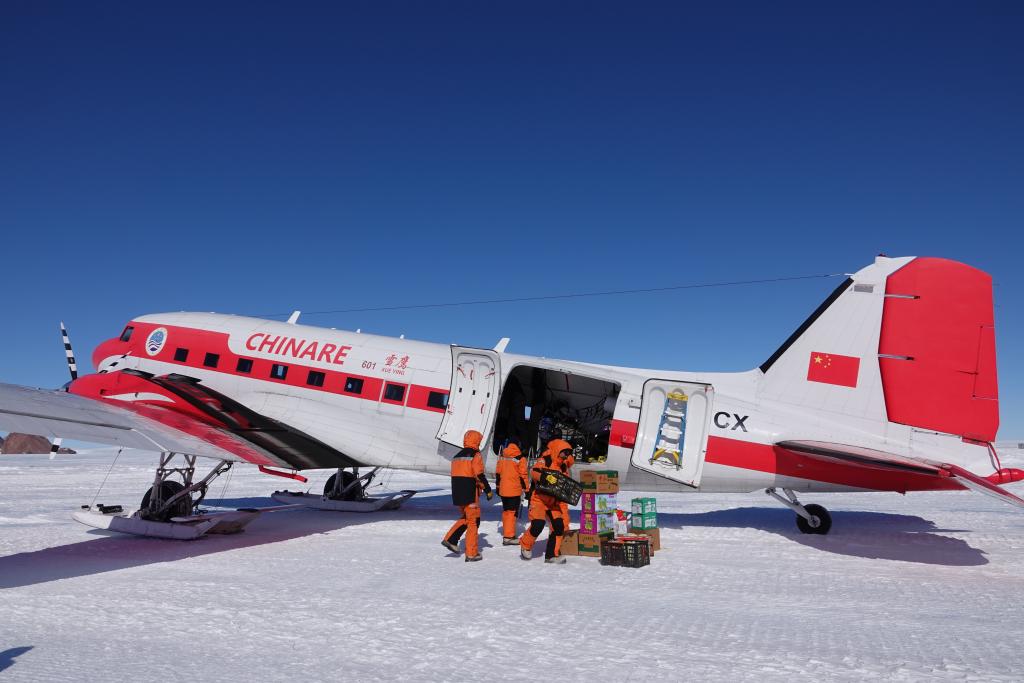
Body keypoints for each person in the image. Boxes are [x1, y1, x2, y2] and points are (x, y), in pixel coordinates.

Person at [519, 438, 573, 564]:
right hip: (539, 499)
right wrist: (546, 477)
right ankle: (525, 545)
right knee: (538, 524)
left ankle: (551, 555)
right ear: (558, 450)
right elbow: (534, 472)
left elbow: (564, 484)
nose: (567, 456)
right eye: (565, 452)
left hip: (553, 502)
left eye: (569, 453)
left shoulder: (563, 467)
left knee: (558, 526)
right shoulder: (545, 460)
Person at [442, 430, 493, 562]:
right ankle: (471, 553)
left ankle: (451, 539)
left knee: (467, 518)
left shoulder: (457, 456)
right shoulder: (475, 455)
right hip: (470, 494)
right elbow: (479, 474)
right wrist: (487, 489)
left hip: (458, 494)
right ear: (476, 441)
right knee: (473, 522)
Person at [495, 441, 528, 544]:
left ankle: (507, 532)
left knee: (506, 511)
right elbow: (523, 475)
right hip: (514, 490)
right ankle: (508, 537)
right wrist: (527, 489)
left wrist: (498, 487)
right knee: (511, 512)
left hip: (503, 490)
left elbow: (497, 474)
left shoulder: (502, 457)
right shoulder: (520, 458)